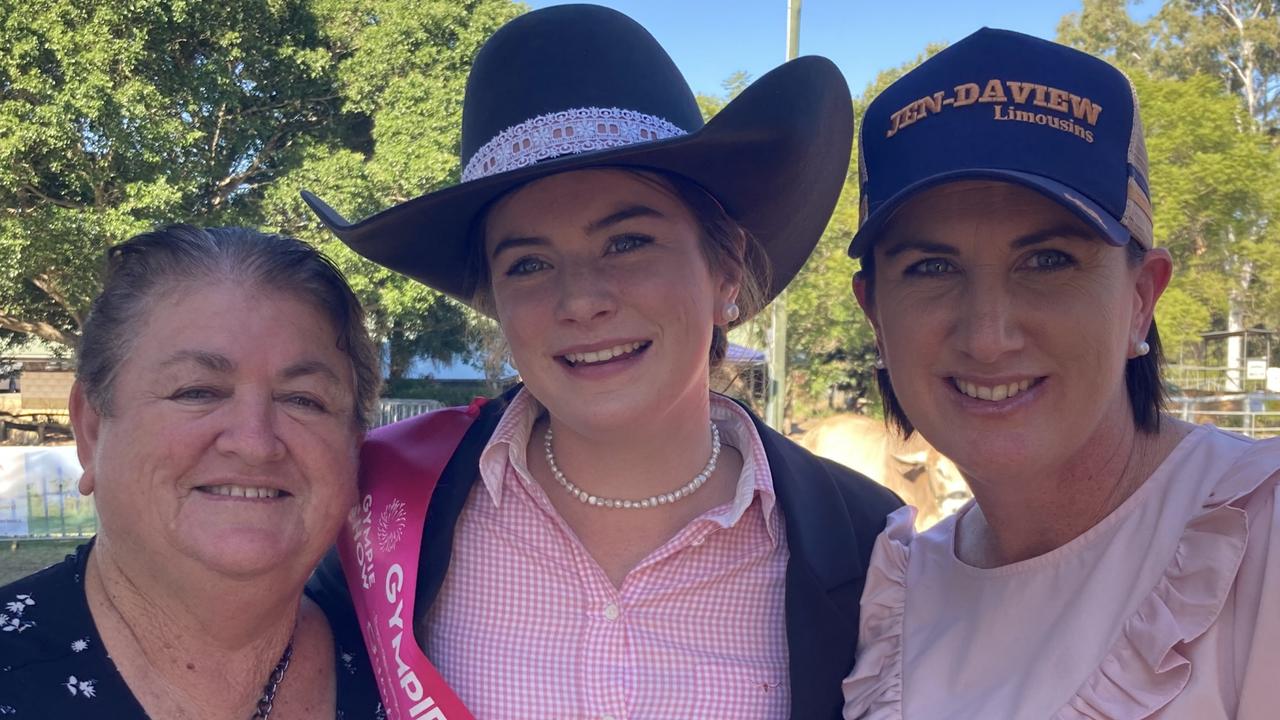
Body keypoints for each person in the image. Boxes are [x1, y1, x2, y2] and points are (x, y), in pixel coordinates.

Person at [303, 5, 901, 718]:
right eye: (527, 264)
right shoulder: (380, 508)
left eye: (628, 243)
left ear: (725, 269)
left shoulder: (871, 549)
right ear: (494, 302)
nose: (581, 300)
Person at [840, 28, 1280, 719]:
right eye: (931, 267)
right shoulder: (894, 589)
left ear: (1142, 299)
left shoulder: (1257, 539)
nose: (988, 337)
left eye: (1047, 261)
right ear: (876, 318)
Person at [0, 226, 382, 718]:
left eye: (303, 400)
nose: (254, 443)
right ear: (91, 429)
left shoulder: (406, 675)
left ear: (353, 450)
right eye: (197, 391)